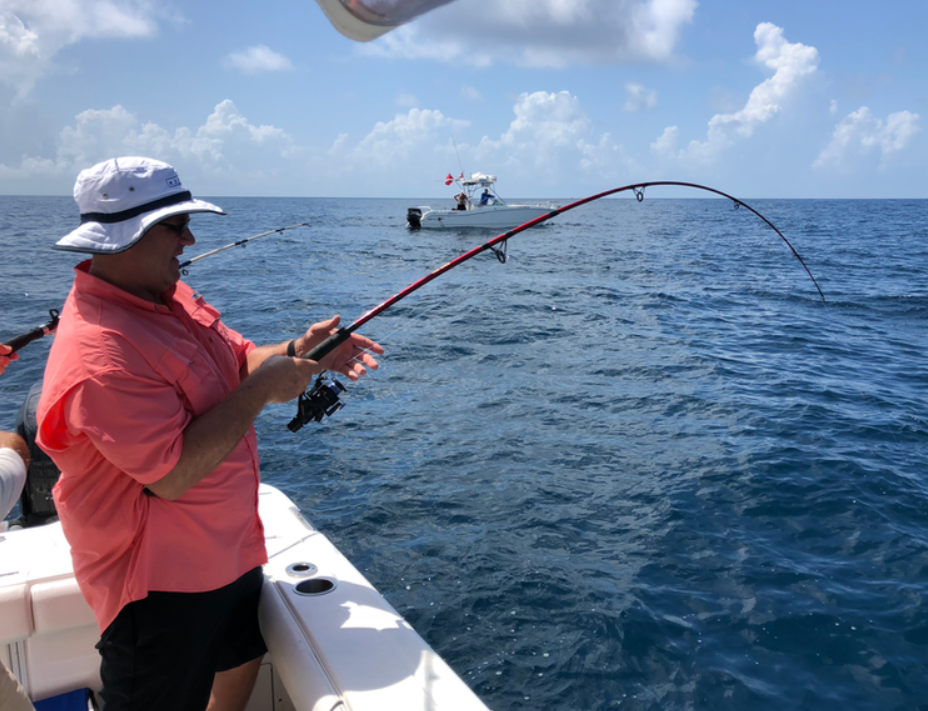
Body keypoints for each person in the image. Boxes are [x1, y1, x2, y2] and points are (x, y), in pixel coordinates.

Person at [35, 156, 383, 711]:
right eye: (176, 227)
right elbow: (170, 475)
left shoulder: (170, 296)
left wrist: (300, 352)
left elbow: (239, 359)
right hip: (157, 585)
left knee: (241, 655)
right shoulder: (100, 355)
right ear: (127, 237)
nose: (190, 238)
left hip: (229, 549)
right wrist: (266, 391)